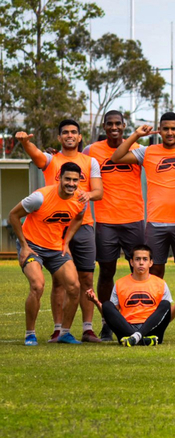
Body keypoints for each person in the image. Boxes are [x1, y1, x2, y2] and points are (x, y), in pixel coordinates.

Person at [111, 112, 175, 341]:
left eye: (174, 129)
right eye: (165, 129)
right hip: (156, 223)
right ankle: (150, 325)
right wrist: (136, 134)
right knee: (155, 273)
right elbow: (117, 157)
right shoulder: (148, 151)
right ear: (159, 130)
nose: (170, 133)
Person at [16, 120, 103, 343]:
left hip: (78, 226)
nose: (70, 135)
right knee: (53, 282)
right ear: (59, 137)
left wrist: (85, 197)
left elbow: (97, 192)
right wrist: (25, 143)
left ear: (81, 137)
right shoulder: (51, 161)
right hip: (46, 231)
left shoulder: (89, 162)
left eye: (74, 132)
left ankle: (86, 328)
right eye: (65, 132)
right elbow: (35, 154)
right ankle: (55, 330)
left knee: (83, 279)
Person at [83, 110, 145, 341]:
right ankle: (107, 321)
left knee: (137, 270)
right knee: (106, 271)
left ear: (124, 125)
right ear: (104, 126)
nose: (114, 127)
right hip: (106, 221)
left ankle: (134, 318)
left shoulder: (136, 149)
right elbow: (73, 161)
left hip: (134, 219)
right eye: (110, 124)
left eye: (118, 123)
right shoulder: (92, 150)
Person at [9, 162, 87, 345]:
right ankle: (30, 334)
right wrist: (24, 245)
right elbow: (13, 215)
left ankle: (64, 334)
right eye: (67, 179)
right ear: (59, 178)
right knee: (37, 285)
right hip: (32, 246)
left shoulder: (80, 200)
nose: (71, 183)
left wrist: (66, 242)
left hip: (55, 248)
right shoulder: (39, 198)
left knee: (75, 287)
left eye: (75, 180)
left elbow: (78, 218)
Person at [86, 245, 175, 346]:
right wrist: (96, 301)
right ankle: (142, 340)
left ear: (151, 263)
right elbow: (111, 316)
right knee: (107, 305)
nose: (141, 263)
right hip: (127, 329)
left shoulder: (160, 283)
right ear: (131, 262)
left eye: (145, 259)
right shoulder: (120, 283)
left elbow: (167, 317)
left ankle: (135, 338)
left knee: (165, 304)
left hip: (152, 330)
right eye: (137, 259)